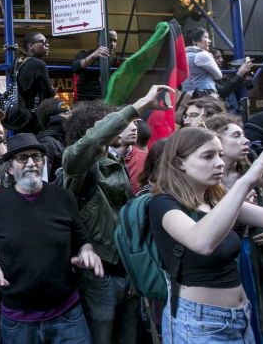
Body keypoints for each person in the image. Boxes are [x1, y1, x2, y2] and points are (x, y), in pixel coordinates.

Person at [149, 127, 263, 343]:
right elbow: (202, 242)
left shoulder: (215, 200)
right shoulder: (163, 203)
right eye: (208, 156)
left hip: (240, 316)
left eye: (220, 155)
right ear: (179, 163)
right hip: (199, 323)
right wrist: (246, 182)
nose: (220, 163)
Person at [0, 133, 102, 344]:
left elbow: (82, 239)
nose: (31, 163)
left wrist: (87, 252)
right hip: (18, 322)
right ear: (10, 168)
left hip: (67, 316)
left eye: (37, 157)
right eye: (22, 158)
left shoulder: (63, 197)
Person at [62, 86, 170, 344]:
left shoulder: (118, 163)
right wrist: (141, 102)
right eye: (118, 123)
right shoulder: (77, 167)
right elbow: (91, 142)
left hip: (125, 268)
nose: (132, 125)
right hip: (99, 273)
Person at [205, 113, 263, 343]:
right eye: (236, 135)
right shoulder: (207, 178)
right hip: (227, 256)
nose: (245, 141)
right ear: (217, 141)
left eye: (244, 135)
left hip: (258, 254)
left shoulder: (254, 171)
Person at [14, 32, 56, 134]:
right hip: (33, 117)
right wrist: (52, 88)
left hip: (18, 115)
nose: (47, 44)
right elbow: (49, 94)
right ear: (30, 46)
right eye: (42, 42)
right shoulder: (39, 64)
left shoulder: (17, 62)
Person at [72, 29, 118, 101]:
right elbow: (76, 67)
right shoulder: (86, 54)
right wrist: (94, 55)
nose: (112, 44)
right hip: (86, 101)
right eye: (110, 40)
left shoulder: (113, 60)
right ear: (100, 40)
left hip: (104, 100)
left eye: (115, 41)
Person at [182, 27, 222, 99]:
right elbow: (218, 76)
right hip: (205, 95)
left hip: (186, 96)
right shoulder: (203, 55)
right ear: (194, 41)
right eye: (206, 37)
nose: (209, 41)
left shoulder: (184, 56)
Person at [35, 98, 70, 178]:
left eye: (69, 110)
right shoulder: (47, 143)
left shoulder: (63, 140)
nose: (70, 115)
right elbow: (42, 180)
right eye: (65, 112)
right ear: (53, 119)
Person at [213, 48, 254, 113]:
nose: (221, 60)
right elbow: (222, 93)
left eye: (221, 57)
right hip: (224, 114)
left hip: (234, 112)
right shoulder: (207, 77)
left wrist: (246, 76)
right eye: (217, 57)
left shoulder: (226, 74)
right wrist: (239, 74)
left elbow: (247, 86)